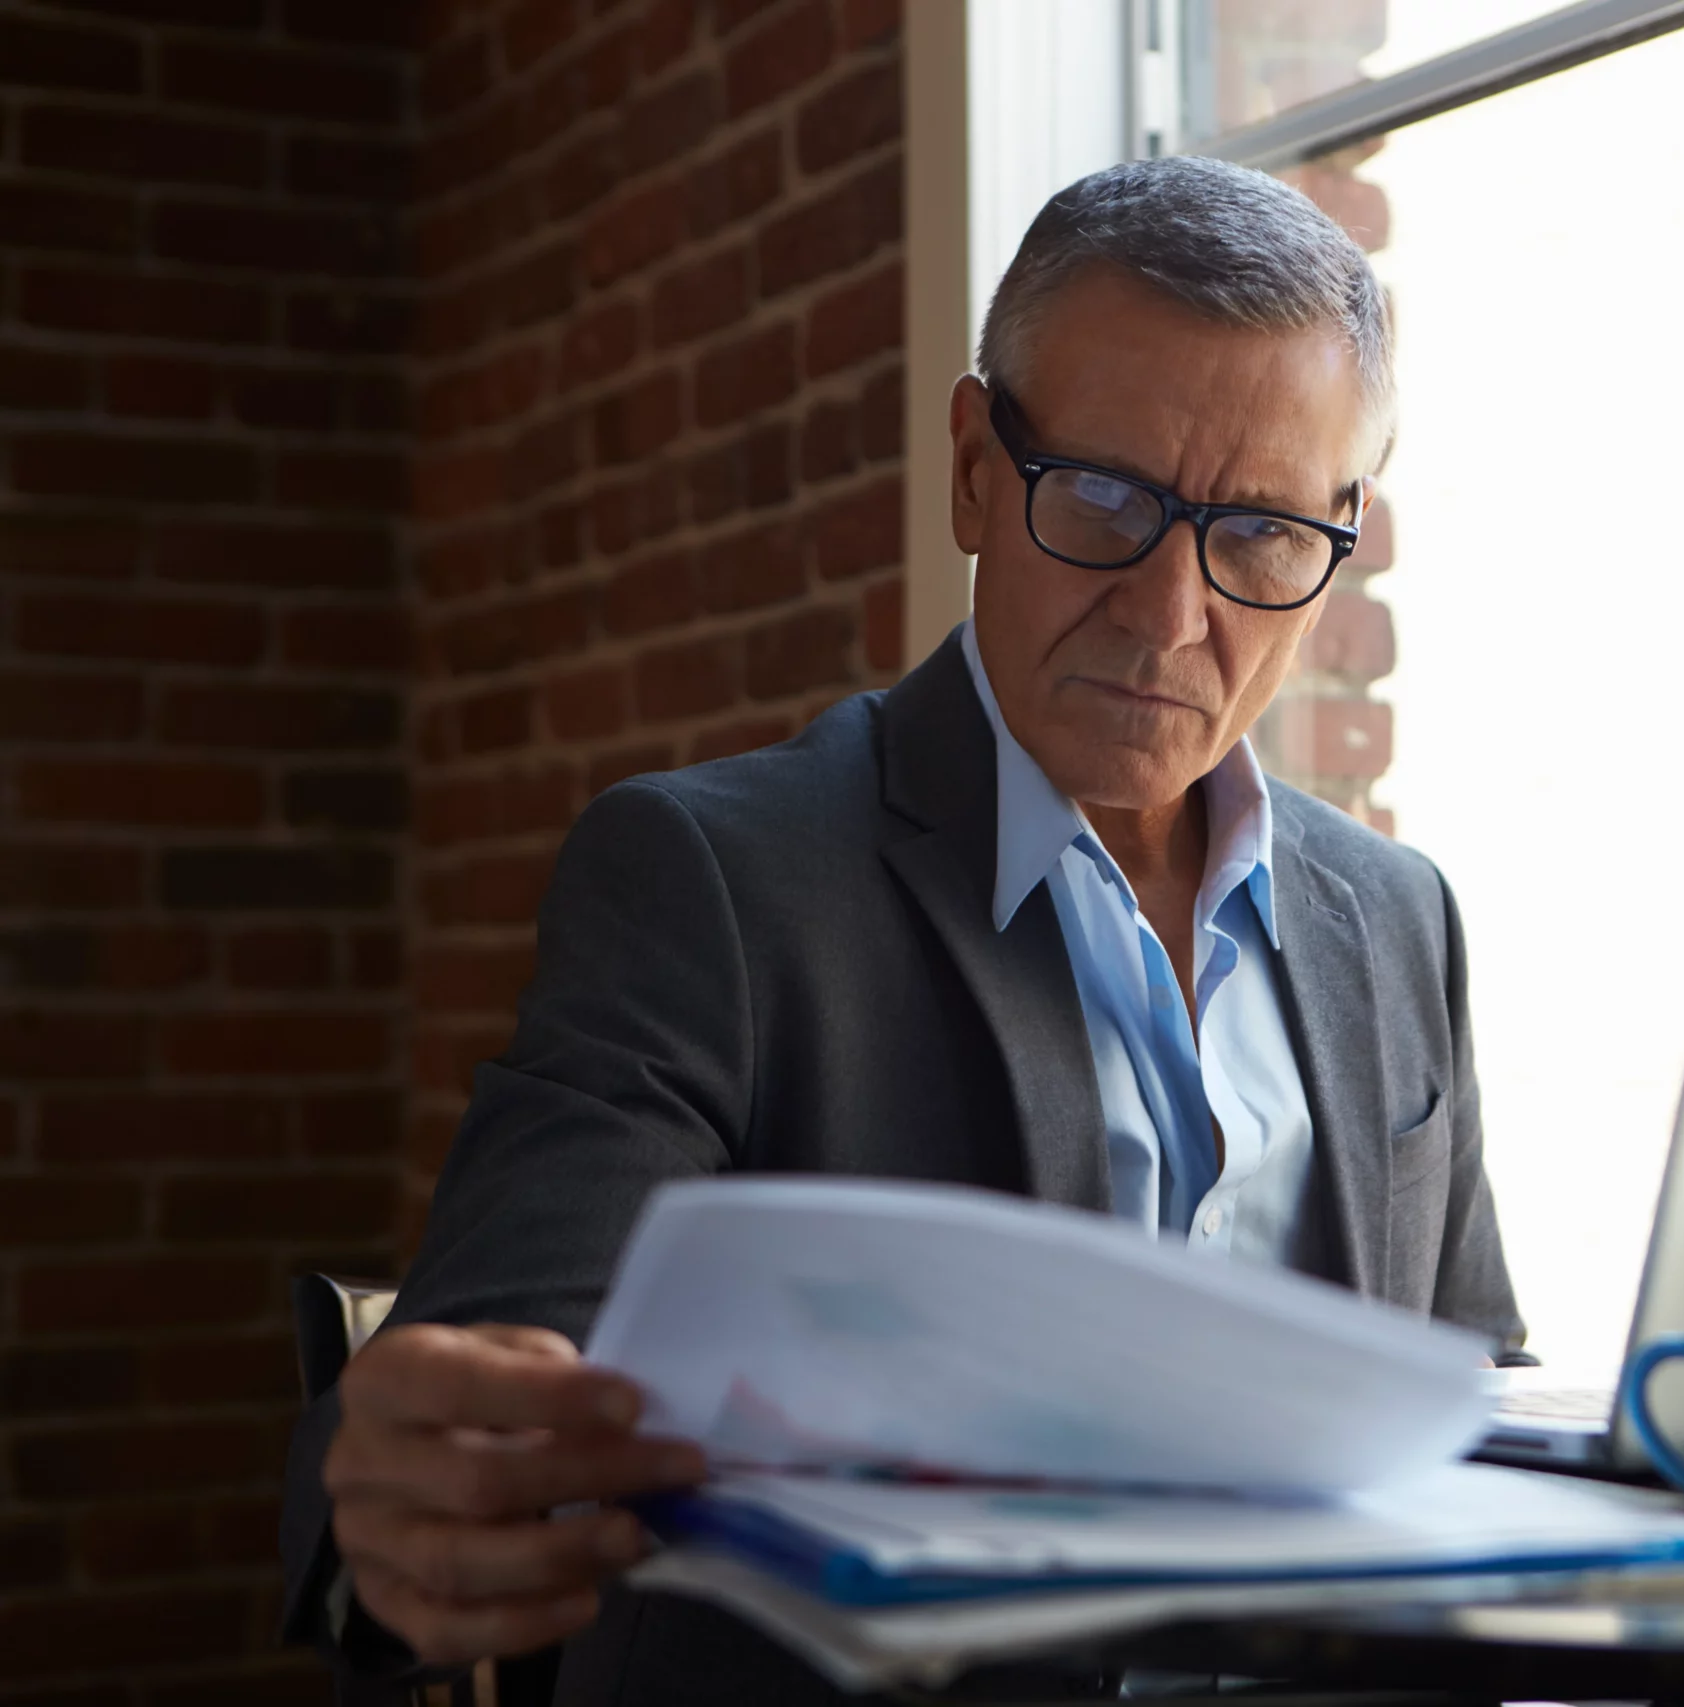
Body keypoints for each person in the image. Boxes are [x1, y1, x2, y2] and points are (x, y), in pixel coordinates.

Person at [281, 155, 1525, 1704]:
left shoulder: (1400, 921)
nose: (1169, 614)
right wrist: (402, 1490)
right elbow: (484, 1368)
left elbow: (1479, 1411)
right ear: (970, 468)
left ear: (1341, 539)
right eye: (1104, 501)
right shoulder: (711, 884)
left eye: (1263, 535)